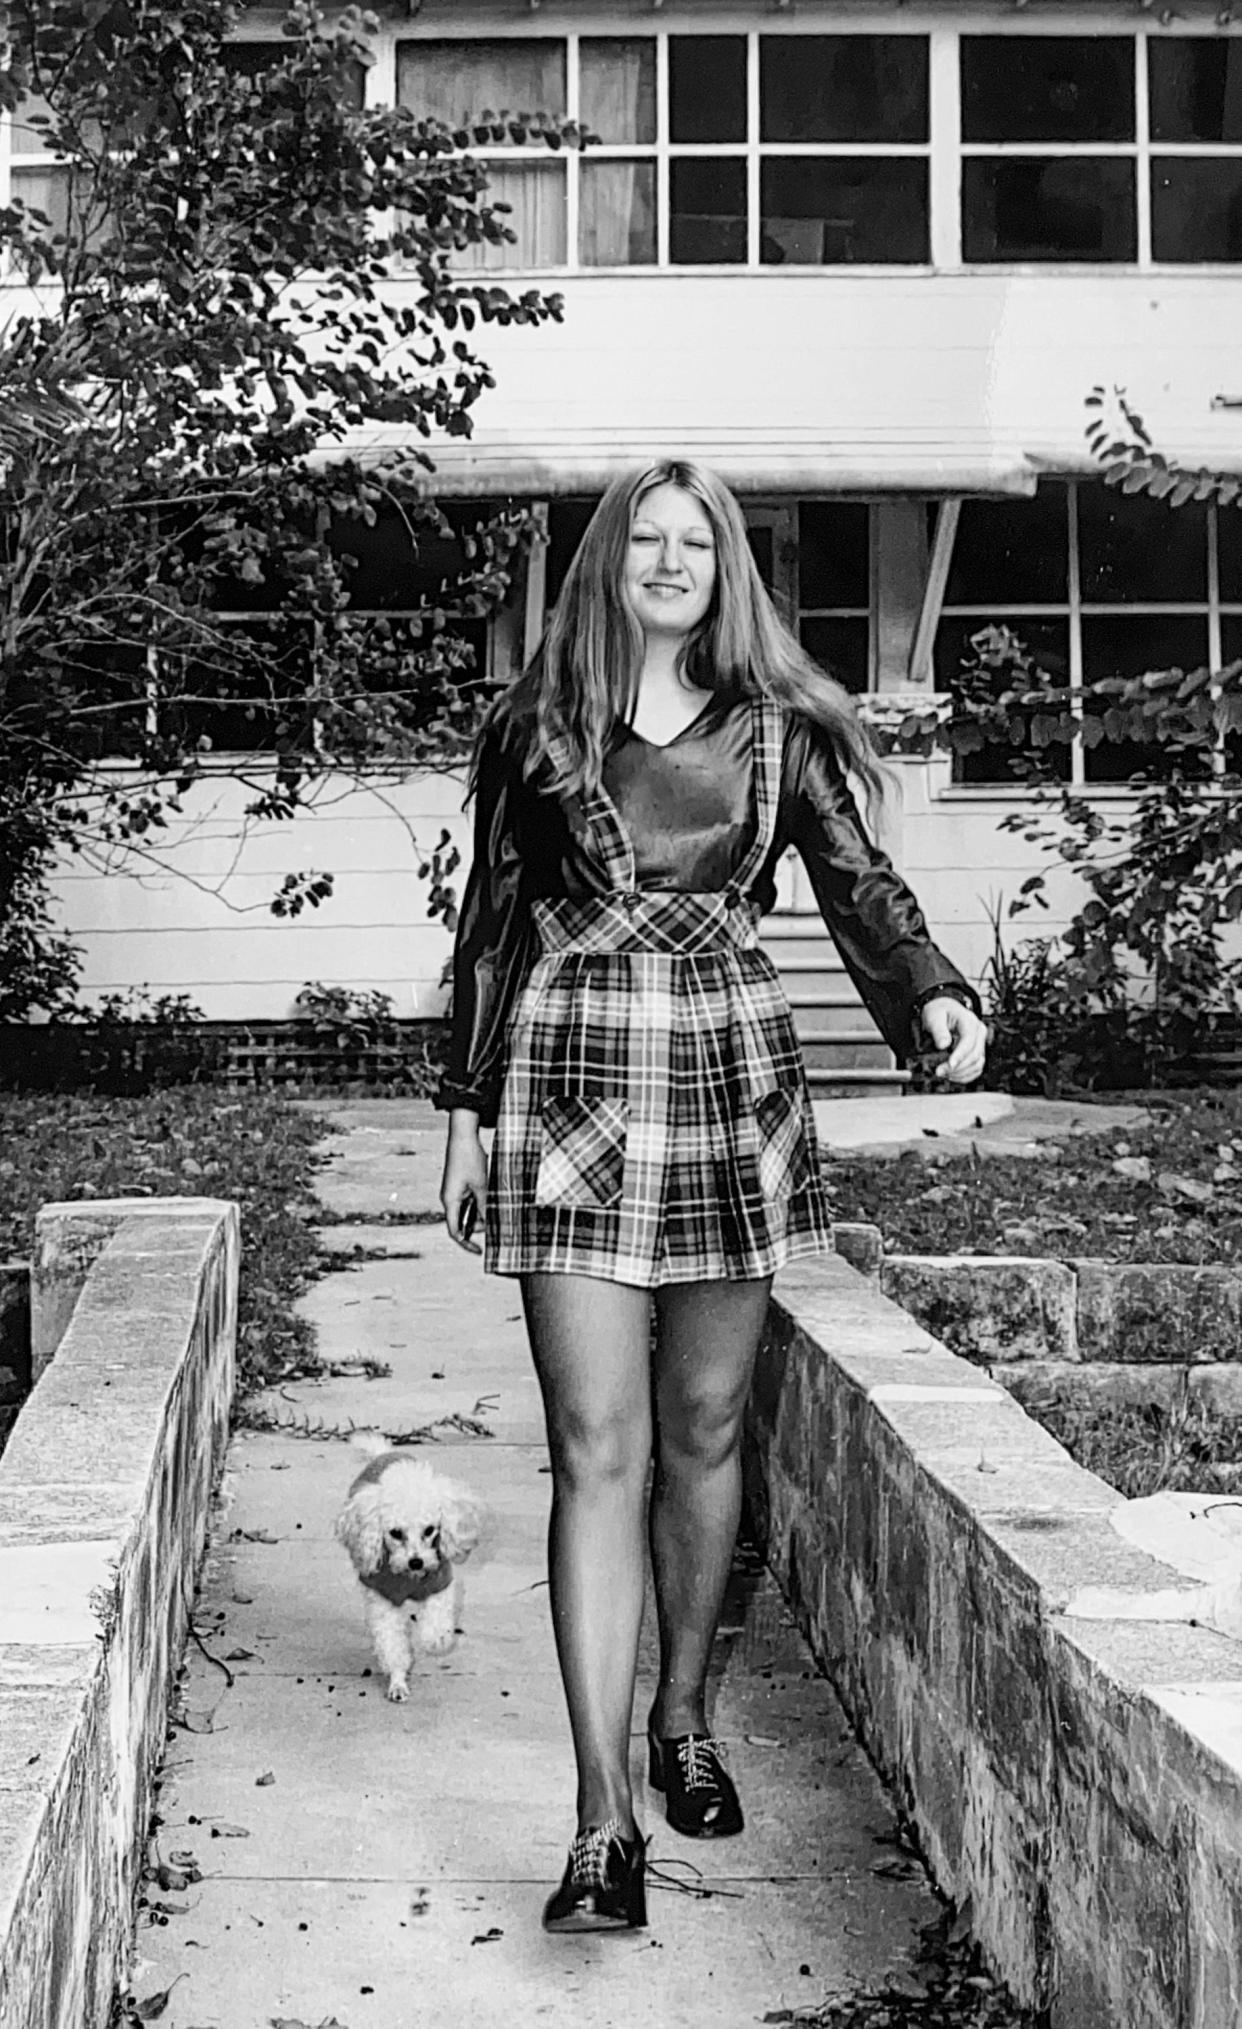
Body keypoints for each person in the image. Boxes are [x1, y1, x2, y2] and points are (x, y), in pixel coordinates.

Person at [436, 460, 988, 1936]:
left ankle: (683, 1710)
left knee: (698, 1428)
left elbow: (859, 882)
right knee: (591, 1445)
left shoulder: (776, 727)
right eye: (647, 540)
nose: (670, 560)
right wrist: (462, 1108)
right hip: (568, 1068)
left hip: (728, 1066)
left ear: (722, 568)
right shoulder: (534, 725)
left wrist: (927, 991)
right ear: (608, 563)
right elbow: (489, 919)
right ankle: (600, 1816)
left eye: (697, 541)